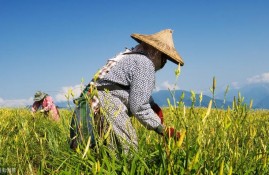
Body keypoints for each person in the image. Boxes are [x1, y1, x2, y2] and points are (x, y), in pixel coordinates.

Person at [70, 29, 184, 153]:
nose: (164, 62)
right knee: (128, 148)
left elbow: (127, 87)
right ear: (156, 52)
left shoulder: (128, 56)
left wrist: (152, 105)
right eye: (165, 58)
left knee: (105, 151)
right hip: (106, 103)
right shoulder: (145, 64)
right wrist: (161, 129)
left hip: (93, 104)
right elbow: (139, 107)